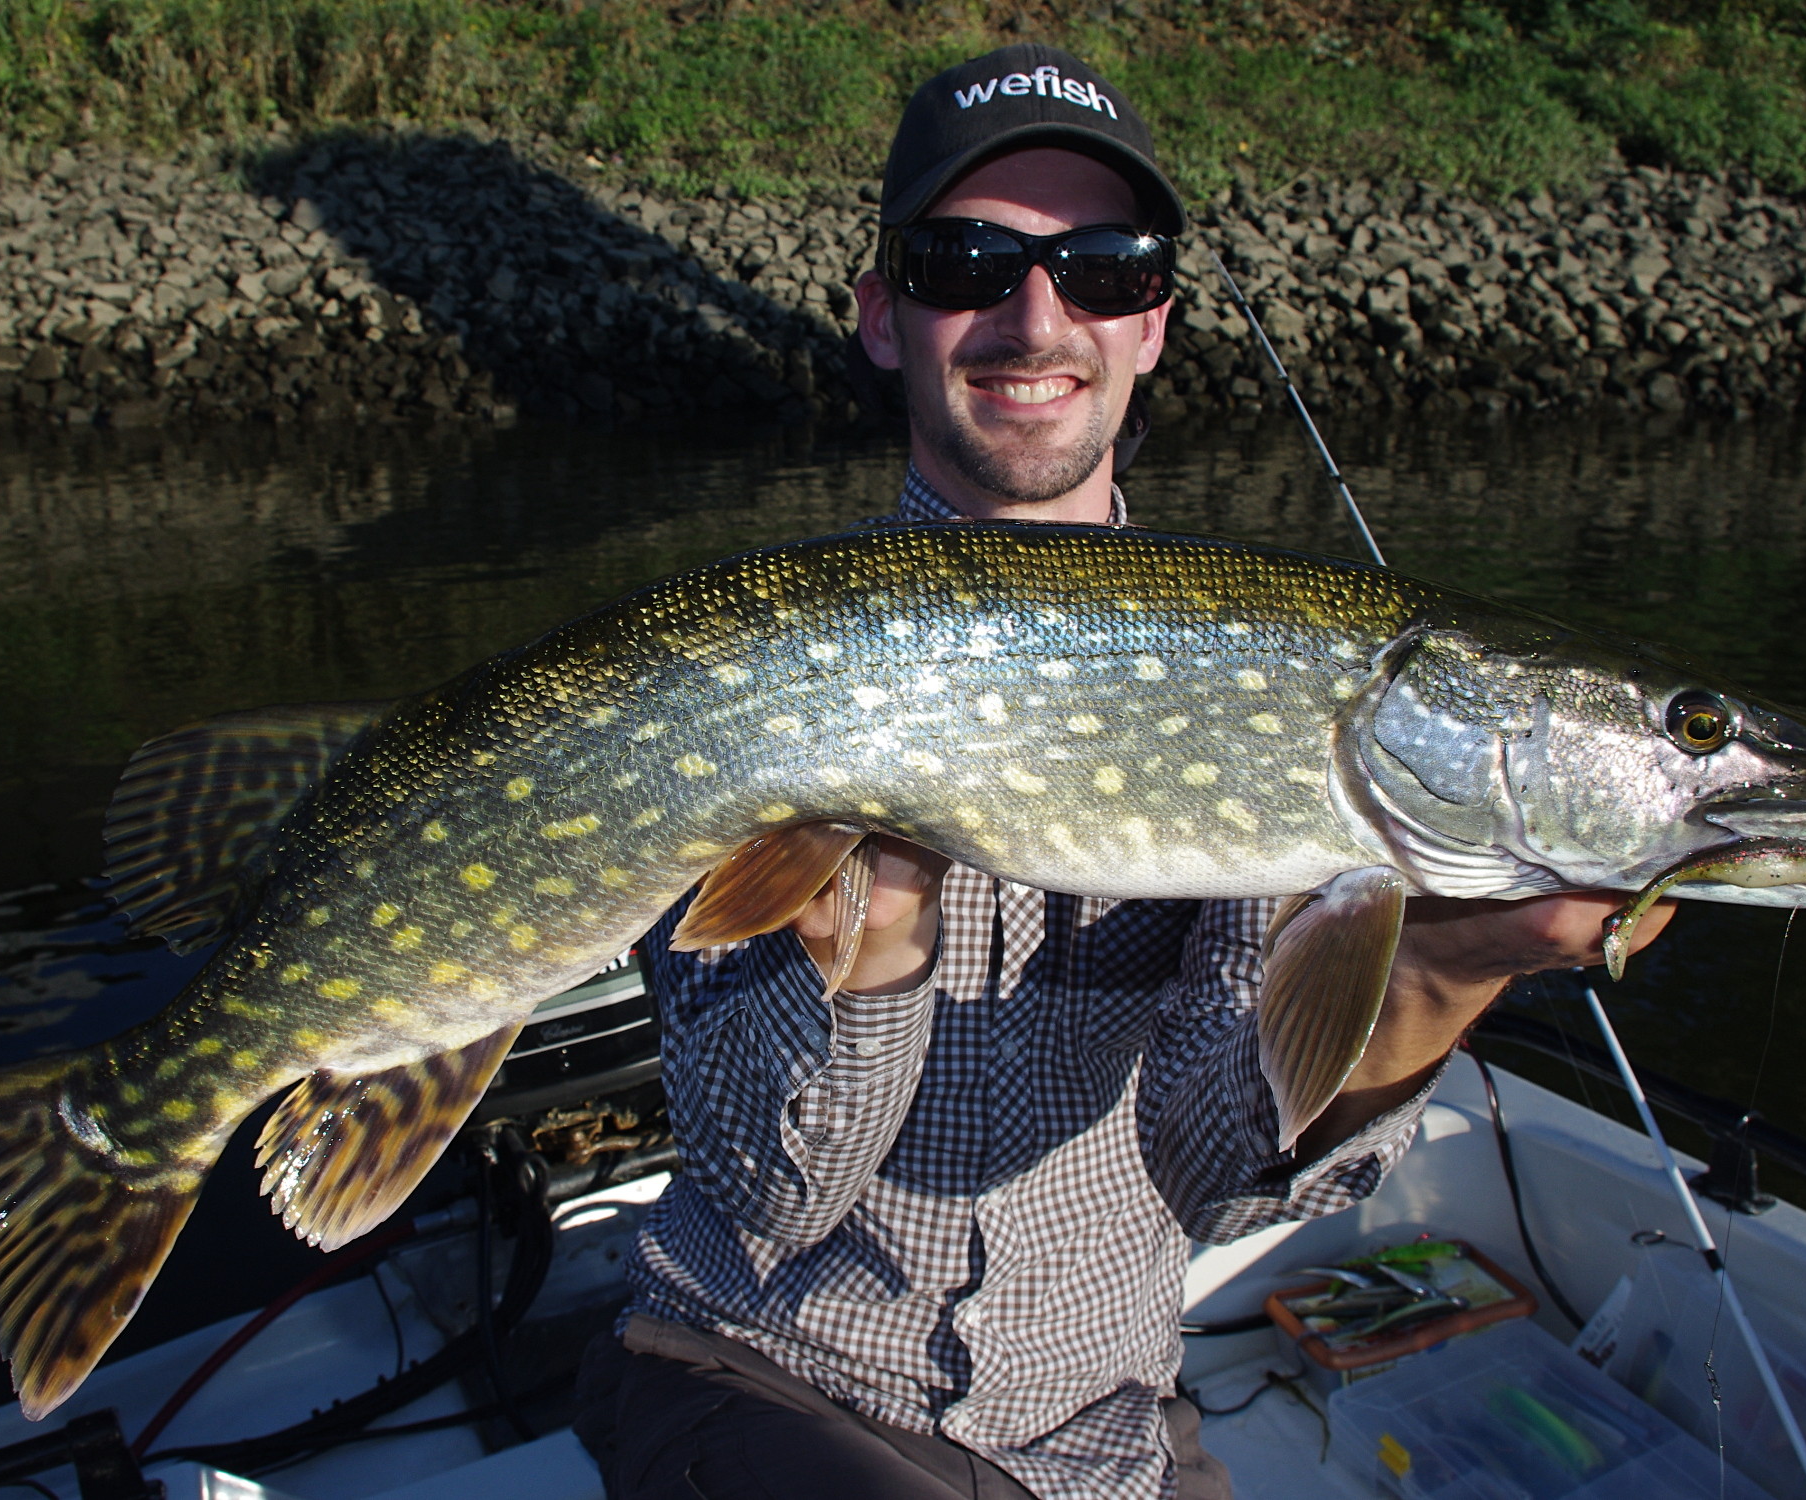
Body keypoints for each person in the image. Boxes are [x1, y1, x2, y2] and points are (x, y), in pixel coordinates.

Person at [574, 43, 1674, 1500]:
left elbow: (1212, 1163)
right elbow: (771, 1197)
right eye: (968, 259)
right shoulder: (755, 662)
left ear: (1152, 322)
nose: (1038, 318)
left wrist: (1434, 975)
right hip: (760, 1380)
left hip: (1107, 1441)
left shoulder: (1271, 701)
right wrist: (877, 952)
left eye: (1103, 268)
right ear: (884, 315)